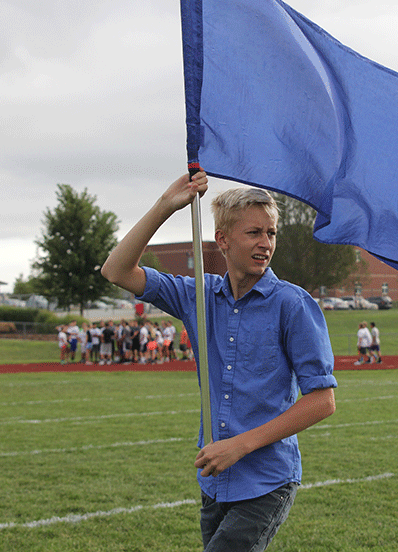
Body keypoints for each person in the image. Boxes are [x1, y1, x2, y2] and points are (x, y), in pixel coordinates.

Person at [101, 171, 336, 552]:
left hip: (266, 482)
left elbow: (322, 400)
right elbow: (116, 270)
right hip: (214, 480)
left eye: (271, 233)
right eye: (254, 233)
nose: (265, 243)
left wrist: (240, 445)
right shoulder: (198, 295)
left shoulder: (293, 305)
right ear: (222, 240)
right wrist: (165, 206)